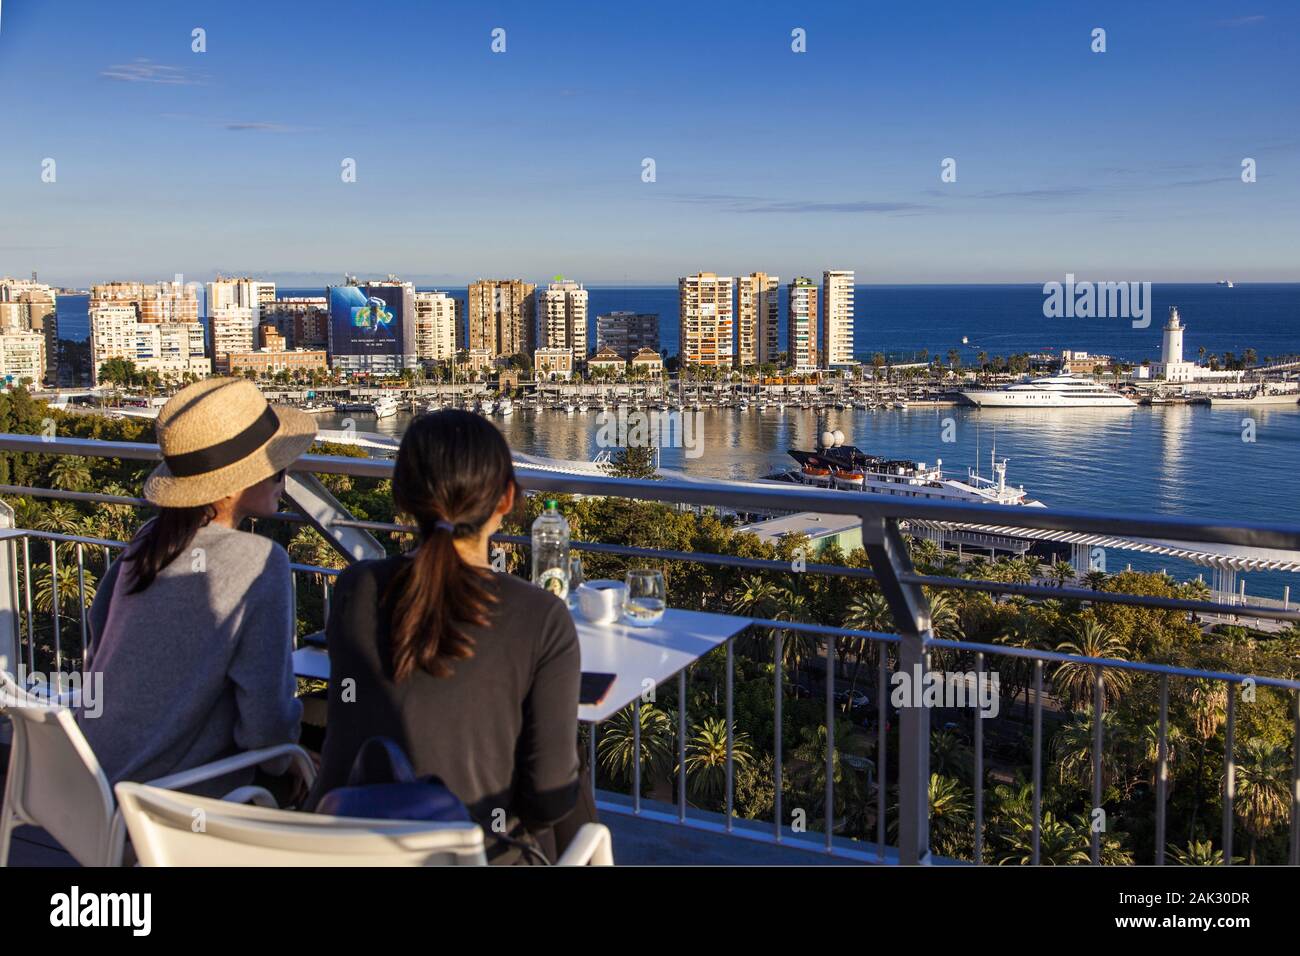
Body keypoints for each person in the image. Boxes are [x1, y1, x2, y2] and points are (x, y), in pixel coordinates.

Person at [308, 409, 593, 863]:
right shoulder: (541, 616)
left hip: (352, 848)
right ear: (505, 500)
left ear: (403, 498)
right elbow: (548, 801)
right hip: (482, 854)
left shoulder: (356, 589)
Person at [79, 377, 315, 798]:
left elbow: (96, 653)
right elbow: (268, 729)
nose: (284, 480)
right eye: (277, 468)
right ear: (230, 485)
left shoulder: (147, 543)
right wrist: (293, 760)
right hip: (171, 810)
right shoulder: (260, 563)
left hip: (95, 792)